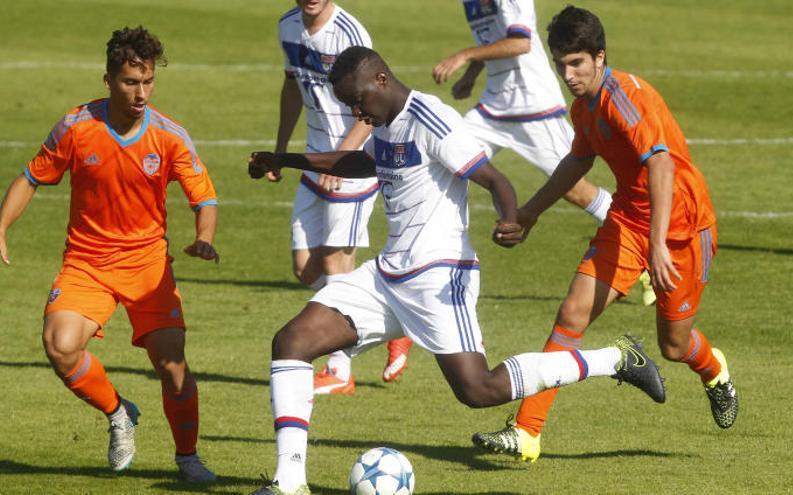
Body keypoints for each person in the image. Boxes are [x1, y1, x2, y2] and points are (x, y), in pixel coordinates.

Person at [246, 46, 666, 495]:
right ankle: (289, 483)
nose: (355, 111)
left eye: (358, 100)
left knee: (479, 390)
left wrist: (510, 219)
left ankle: (619, 358)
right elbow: (366, 163)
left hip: (439, 277)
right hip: (387, 276)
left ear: (381, 81)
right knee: (291, 342)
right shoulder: (383, 122)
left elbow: (493, 178)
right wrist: (287, 160)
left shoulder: (432, 118)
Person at [472, 5, 739, 463]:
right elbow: (578, 161)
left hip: (683, 230)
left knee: (674, 345)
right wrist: (532, 213)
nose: (568, 74)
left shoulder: (624, 98)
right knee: (572, 313)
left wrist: (658, 245)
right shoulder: (584, 108)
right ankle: (527, 431)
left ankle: (715, 371)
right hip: (628, 223)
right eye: (561, 65)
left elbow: (660, 164)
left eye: (576, 63)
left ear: (599, 57)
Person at [0, 26, 218, 483]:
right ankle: (118, 412)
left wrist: (204, 236)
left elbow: (204, 197)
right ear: (108, 81)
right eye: (130, 82)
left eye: (148, 82)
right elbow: (30, 177)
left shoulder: (168, 136)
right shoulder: (76, 127)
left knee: (172, 365)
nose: (141, 93)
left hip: (147, 265)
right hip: (87, 262)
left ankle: (188, 458)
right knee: (60, 345)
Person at [433, 0, 657, 306]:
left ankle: (642, 250)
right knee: (446, 161)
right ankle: (433, 263)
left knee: (575, 190)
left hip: (534, 106)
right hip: (493, 109)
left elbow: (520, 42)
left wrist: (464, 56)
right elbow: (491, 40)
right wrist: (472, 73)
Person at [275, 0, 413, 395]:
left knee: (338, 261)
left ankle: (339, 369)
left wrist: (345, 160)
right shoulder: (287, 26)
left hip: (350, 162)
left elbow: (369, 106)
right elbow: (291, 86)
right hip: (313, 160)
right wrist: (281, 149)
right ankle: (395, 320)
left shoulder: (351, 32)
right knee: (304, 270)